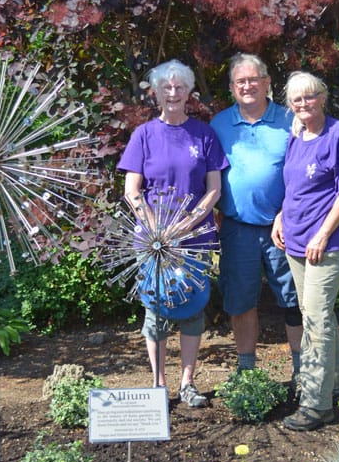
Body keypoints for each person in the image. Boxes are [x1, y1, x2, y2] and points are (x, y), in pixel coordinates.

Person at [117, 59, 228, 408]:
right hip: (154, 242)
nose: (173, 93)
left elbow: (214, 189)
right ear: (155, 92)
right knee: (156, 310)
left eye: (180, 87)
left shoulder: (204, 134)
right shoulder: (144, 135)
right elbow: (132, 190)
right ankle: (158, 385)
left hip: (195, 238)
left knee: (193, 308)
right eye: (166, 87)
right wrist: (157, 229)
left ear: (189, 92)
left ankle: (187, 384)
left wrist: (188, 223)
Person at [271, 71, 339, 431]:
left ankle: (316, 403)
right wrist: (280, 216)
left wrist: (323, 234)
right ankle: (337, 385)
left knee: (315, 319)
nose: (304, 104)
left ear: (323, 97)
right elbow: (294, 187)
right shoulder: (296, 136)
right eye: (297, 99)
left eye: (310, 96)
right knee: (316, 313)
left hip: (326, 243)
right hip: (295, 240)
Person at [210, 53, 303, 382]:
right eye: (240, 81)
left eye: (253, 79)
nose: (247, 86)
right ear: (231, 88)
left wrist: (286, 213)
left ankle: (302, 372)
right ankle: (247, 373)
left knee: (294, 300)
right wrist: (213, 210)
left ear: (267, 83)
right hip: (237, 229)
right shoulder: (220, 124)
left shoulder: (291, 120)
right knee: (240, 301)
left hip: (285, 226)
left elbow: (304, 175)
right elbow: (209, 173)